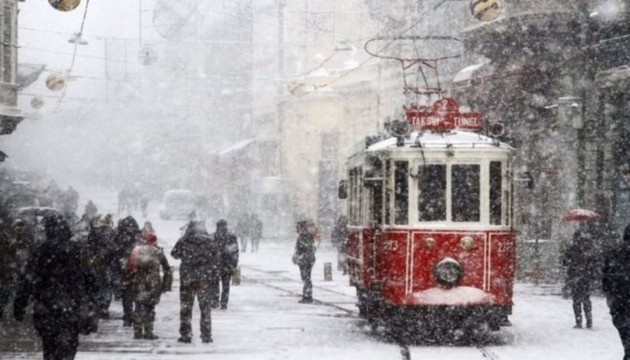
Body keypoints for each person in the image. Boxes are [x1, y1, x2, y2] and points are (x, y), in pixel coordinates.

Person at [13, 213, 98, 360]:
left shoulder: (41, 250)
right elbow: (89, 277)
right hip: (71, 303)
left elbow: (28, 279)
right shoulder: (76, 250)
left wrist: (20, 302)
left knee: (49, 344)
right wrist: (92, 297)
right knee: (69, 342)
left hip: (46, 304)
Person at [171, 220, 219, 343]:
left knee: (186, 307)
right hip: (204, 278)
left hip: (188, 278)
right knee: (205, 308)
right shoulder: (210, 241)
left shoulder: (184, 240)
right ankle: (206, 334)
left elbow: (174, 254)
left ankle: (186, 334)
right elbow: (216, 258)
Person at [127, 232, 172, 340]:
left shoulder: (136, 250)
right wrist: (166, 285)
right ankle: (148, 332)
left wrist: (128, 282)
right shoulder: (158, 252)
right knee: (150, 307)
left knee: (138, 306)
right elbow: (167, 269)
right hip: (153, 282)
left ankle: (137, 332)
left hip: (138, 280)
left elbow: (129, 267)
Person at [562, 223, 597, 329]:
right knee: (586, 298)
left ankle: (578, 321)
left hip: (574, 277)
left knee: (576, 300)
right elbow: (593, 262)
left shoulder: (572, 248)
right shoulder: (588, 248)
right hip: (585, 277)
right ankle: (589, 320)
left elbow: (565, 262)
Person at [603, 224, 630, 359]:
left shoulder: (614, 253)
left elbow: (606, 279)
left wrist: (610, 298)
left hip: (620, 305)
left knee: (627, 345)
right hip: (621, 302)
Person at [112, 215, 142, 326]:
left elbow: (114, 252)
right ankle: (134, 315)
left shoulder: (119, 236)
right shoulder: (137, 236)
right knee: (135, 293)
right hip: (134, 269)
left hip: (126, 269)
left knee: (127, 294)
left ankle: (129, 316)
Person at [86, 214, 116, 319]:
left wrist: (93, 256)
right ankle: (104, 306)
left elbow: (89, 246)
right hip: (108, 263)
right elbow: (114, 249)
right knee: (106, 285)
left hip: (96, 262)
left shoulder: (94, 232)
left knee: (97, 283)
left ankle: (96, 304)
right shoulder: (112, 233)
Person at [211, 220, 239, 309]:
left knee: (215, 284)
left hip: (215, 264)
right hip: (227, 264)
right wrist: (234, 264)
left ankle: (215, 301)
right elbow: (235, 251)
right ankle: (224, 302)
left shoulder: (213, 236)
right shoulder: (231, 237)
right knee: (226, 285)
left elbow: (209, 251)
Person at [292, 220, 317, 304]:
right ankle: (307, 295)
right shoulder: (307, 235)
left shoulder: (303, 236)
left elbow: (303, 248)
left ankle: (307, 296)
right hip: (307, 259)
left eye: (297, 227)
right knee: (306, 277)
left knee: (306, 278)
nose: (296, 229)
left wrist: (299, 256)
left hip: (305, 260)